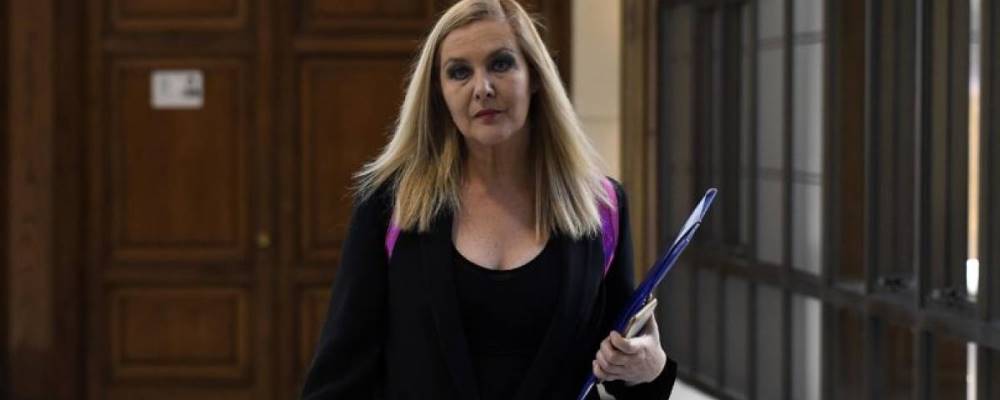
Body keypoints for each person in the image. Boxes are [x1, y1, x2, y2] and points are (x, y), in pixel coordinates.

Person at [300, 0, 677, 398]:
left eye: (500, 64)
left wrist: (651, 368)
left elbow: (621, 374)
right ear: (439, 93)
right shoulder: (390, 205)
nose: (482, 88)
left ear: (535, 76)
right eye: (459, 72)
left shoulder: (601, 207)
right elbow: (339, 381)